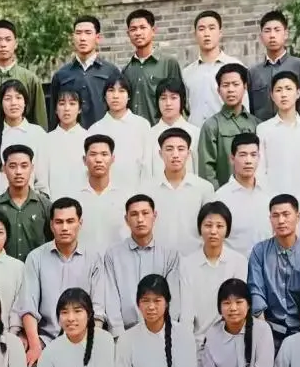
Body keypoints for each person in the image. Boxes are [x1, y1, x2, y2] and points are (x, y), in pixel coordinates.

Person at [17, 198, 107, 367]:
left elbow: (98, 310)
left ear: (80, 223)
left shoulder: (94, 259)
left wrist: (90, 345)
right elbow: (28, 306)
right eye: (59, 222)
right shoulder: (36, 258)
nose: (64, 227)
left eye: (70, 221)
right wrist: (35, 346)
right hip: (45, 340)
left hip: (84, 339)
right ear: (51, 225)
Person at [248, 194, 300, 352]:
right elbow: (256, 291)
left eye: (286, 214)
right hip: (268, 328)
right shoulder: (259, 252)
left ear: (298, 217)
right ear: (270, 219)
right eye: (275, 216)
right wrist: (263, 335)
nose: (281, 221)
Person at [104, 194, 180, 336]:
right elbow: (111, 297)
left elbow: (173, 297)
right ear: (126, 219)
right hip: (125, 332)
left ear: (154, 216)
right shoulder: (113, 255)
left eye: (145, 213)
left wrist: (165, 332)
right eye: (134, 214)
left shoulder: (170, 254)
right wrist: (119, 335)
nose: (140, 219)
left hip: (161, 332)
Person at [178, 202, 250, 347]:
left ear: (227, 230)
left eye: (219, 226)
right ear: (200, 228)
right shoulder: (187, 264)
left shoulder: (239, 262)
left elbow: (238, 308)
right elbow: (186, 313)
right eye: (208, 225)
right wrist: (186, 345)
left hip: (230, 340)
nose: (213, 231)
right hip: (197, 342)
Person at [142, 128, 214, 256]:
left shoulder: (204, 188)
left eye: (181, 149)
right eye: (169, 149)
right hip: (156, 258)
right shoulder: (147, 189)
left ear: (189, 153)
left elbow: (211, 226)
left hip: (194, 258)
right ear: (160, 153)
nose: (175, 155)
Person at [0, 79, 50, 202]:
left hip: (32, 206)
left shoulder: (38, 134)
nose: (13, 103)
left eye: (18, 97)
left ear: (25, 102)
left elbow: (43, 180)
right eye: (8, 98)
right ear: (1, 103)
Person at [0, 19, 48, 133]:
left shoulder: (30, 79)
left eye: (8, 39)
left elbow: (40, 123)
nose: (3, 45)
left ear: (16, 43)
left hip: (23, 142)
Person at [49, 16, 123, 130]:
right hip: (71, 136)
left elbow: (119, 109)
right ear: (73, 37)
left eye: (88, 33)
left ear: (97, 38)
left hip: (103, 135)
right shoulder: (61, 75)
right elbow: (53, 115)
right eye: (78, 33)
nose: (82, 38)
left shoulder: (111, 72)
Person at [0, 144, 52, 263]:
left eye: (24, 166)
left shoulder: (46, 206)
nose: (18, 172)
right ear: (4, 169)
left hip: (37, 270)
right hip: (3, 271)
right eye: (12, 166)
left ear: (32, 168)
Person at [197, 62, 259, 189]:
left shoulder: (257, 124)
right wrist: (218, 196)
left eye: (235, 84)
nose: (230, 90)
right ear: (218, 90)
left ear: (245, 87)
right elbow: (207, 170)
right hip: (224, 195)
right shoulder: (211, 126)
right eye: (225, 85)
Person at [183, 10, 248, 128]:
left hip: (227, 133)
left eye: (212, 28)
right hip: (196, 134)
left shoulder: (236, 66)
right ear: (195, 34)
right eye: (201, 29)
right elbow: (186, 110)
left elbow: (245, 109)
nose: (206, 33)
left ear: (220, 33)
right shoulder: (187, 73)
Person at [88, 75, 154, 191]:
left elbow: (147, 165)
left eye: (121, 91)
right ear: (105, 95)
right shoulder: (95, 129)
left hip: (136, 193)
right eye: (111, 90)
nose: (115, 96)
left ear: (129, 96)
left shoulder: (142, 125)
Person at [247, 10, 300, 122]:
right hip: (264, 130)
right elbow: (252, 109)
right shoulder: (253, 72)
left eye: (277, 30)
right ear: (261, 37)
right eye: (267, 31)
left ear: (286, 34)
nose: (272, 35)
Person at [213, 133, 272, 257]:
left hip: (267, 264)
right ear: (232, 159)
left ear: (259, 158)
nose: (248, 161)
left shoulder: (270, 193)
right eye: (243, 155)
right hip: (234, 266)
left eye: (253, 155)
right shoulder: (220, 198)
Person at [121, 9, 183, 124]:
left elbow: (181, 102)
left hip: (161, 130)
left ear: (153, 31)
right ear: (128, 34)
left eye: (142, 27)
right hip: (133, 131)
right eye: (133, 29)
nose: (138, 33)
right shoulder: (126, 70)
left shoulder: (169, 63)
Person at [256, 70, 300, 195]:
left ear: (298, 93)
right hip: (273, 197)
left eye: (288, 89)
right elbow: (260, 169)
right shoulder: (263, 129)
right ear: (272, 95)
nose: (283, 94)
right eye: (278, 90)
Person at [73, 134, 131, 253]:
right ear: (84, 160)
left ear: (112, 159)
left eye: (104, 154)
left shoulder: (126, 197)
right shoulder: (73, 196)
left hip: (117, 260)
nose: (98, 160)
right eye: (93, 154)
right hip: (82, 261)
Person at [148, 79, 200, 177]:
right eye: (163, 98)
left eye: (173, 98)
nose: (168, 103)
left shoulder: (196, 133)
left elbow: (199, 170)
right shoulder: (149, 135)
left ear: (182, 100)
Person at [44, 86, 87, 199]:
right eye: (62, 104)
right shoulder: (46, 140)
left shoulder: (88, 138)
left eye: (72, 104)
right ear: (55, 109)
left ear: (80, 109)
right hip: (53, 202)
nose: (67, 108)